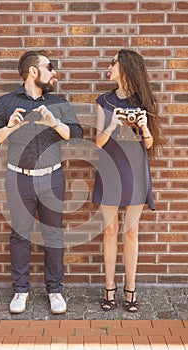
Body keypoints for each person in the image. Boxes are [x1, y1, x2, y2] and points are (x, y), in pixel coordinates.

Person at [0, 50, 83, 314]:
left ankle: (55, 290)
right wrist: (10, 128)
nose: (54, 73)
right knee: (20, 235)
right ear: (33, 72)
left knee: (53, 235)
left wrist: (55, 122)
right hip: (19, 179)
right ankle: (21, 290)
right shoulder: (7, 102)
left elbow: (77, 135)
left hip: (52, 178)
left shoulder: (58, 103)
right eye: (50, 67)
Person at [92, 49, 161, 313]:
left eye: (113, 63)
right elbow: (98, 142)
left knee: (131, 231)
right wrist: (112, 125)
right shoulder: (104, 101)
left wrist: (142, 127)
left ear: (126, 68)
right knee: (110, 230)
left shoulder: (144, 101)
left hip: (135, 168)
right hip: (109, 168)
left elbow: (149, 144)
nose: (109, 67)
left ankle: (130, 290)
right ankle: (109, 288)